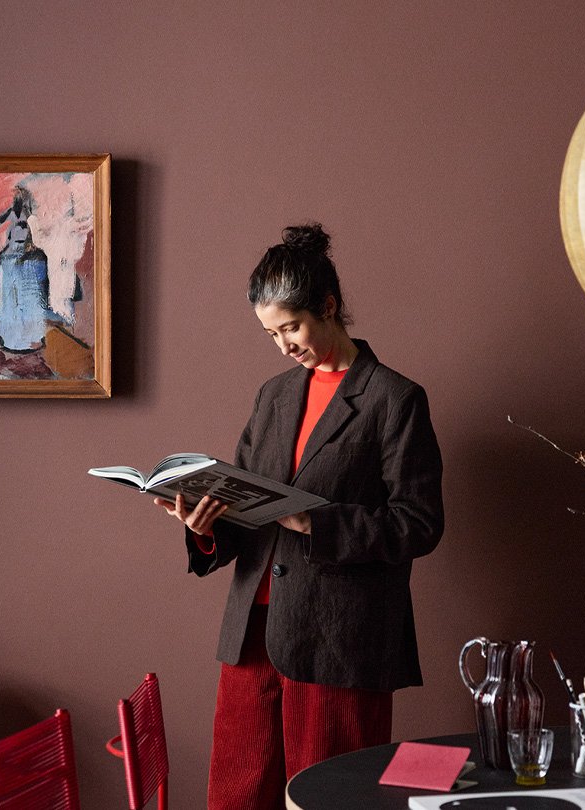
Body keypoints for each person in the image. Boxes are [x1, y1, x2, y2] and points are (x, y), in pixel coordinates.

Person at [154, 223, 444, 809]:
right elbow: (246, 499)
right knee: (237, 797)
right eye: (271, 334)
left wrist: (318, 522)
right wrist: (207, 526)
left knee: (329, 798)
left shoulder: (395, 399)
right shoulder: (274, 395)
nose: (284, 345)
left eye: (291, 327)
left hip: (337, 639)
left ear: (329, 307)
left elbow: (418, 522)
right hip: (252, 633)